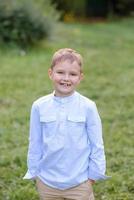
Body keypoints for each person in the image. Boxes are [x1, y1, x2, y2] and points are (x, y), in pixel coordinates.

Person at [23, 48, 109, 200]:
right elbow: (34, 142)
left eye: (73, 74)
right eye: (60, 72)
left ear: (80, 77)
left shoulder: (88, 106)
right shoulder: (39, 106)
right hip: (47, 182)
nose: (66, 78)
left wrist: (93, 176)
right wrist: (35, 173)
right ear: (51, 73)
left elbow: (97, 144)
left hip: (80, 182)